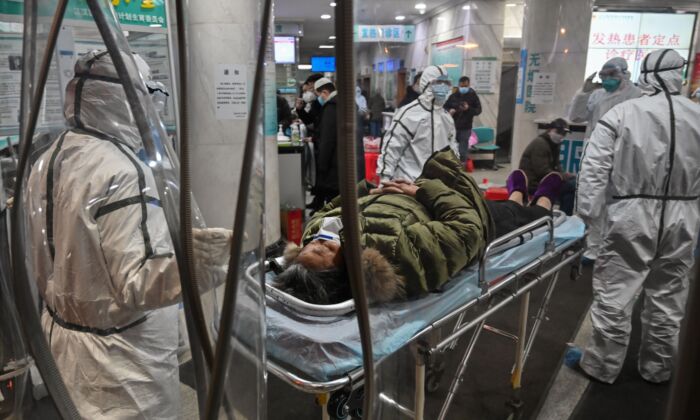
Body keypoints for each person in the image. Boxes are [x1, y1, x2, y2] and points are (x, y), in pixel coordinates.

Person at [25, 51, 232, 418]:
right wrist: (203, 261)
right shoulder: (121, 170)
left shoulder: (48, 156)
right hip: (122, 362)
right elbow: (138, 284)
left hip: (64, 341)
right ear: (126, 100)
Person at [276, 149, 563, 304]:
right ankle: (543, 202)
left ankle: (517, 193)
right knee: (511, 215)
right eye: (323, 251)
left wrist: (368, 191)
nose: (317, 242)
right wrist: (420, 192)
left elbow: (328, 208)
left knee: (504, 205)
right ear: (342, 274)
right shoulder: (400, 258)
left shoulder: (314, 232)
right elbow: (468, 228)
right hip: (455, 210)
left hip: (409, 197)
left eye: (309, 246)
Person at [573, 49, 700, 384]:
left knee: (615, 291)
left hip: (632, 213)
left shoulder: (623, 113)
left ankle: (602, 365)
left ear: (643, 74)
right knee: (669, 295)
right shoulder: (698, 115)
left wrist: (589, 216)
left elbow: (594, 168)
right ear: (678, 74)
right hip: (685, 213)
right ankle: (659, 368)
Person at [568, 57, 642, 262]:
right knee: (591, 201)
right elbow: (575, 117)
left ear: (624, 74)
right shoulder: (597, 95)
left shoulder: (636, 95)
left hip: (621, 156)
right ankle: (591, 249)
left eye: (612, 75)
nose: (607, 79)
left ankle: (611, 249)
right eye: (604, 75)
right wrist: (583, 93)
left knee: (615, 203)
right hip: (594, 155)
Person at [377, 65, 457, 183]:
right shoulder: (408, 113)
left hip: (438, 186)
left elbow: (453, 150)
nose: (443, 87)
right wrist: (385, 178)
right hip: (408, 183)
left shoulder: (446, 118)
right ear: (426, 84)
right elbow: (392, 148)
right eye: (438, 82)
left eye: (446, 83)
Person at [518, 118, 572, 206]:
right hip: (533, 184)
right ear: (550, 130)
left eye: (564, 134)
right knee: (570, 187)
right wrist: (562, 177)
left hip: (543, 180)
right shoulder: (540, 144)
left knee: (570, 188)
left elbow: (557, 164)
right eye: (559, 132)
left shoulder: (555, 144)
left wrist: (564, 175)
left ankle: (565, 215)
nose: (561, 136)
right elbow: (542, 171)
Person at [312, 77, 340, 206]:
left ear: (324, 92)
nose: (320, 99)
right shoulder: (345, 103)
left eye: (319, 96)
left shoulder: (331, 107)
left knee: (333, 205)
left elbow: (327, 140)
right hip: (345, 164)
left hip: (334, 165)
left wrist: (321, 165)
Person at [443, 76, 482, 163]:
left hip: (466, 127)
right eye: (462, 86)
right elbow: (445, 107)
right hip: (453, 126)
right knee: (451, 148)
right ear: (459, 85)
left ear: (469, 85)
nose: (463, 88)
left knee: (462, 150)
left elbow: (478, 110)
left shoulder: (473, 96)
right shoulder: (453, 96)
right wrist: (450, 110)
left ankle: (461, 167)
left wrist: (468, 109)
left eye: (465, 86)